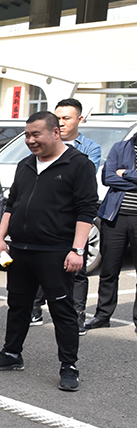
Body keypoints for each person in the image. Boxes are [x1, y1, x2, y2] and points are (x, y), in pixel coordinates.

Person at [0, 112, 98, 391]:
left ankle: (69, 366)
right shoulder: (25, 165)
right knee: (18, 305)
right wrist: (1, 237)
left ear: (56, 133)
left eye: (37, 134)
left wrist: (77, 250)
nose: (31, 140)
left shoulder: (78, 165)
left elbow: (87, 210)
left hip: (55, 250)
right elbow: (11, 204)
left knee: (62, 309)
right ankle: (11, 354)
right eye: (28, 135)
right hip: (20, 249)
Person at [31, 98, 103, 329]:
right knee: (41, 264)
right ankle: (35, 310)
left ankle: (77, 315)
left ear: (79, 119)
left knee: (77, 268)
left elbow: (82, 181)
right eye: (58, 118)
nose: (61, 123)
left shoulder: (89, 148)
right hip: (47, 220)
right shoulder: (45, 144)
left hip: (74, 220)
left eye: (66, 118)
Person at [85, 128, 137, 332]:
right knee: (109, 270)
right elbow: (107, 177)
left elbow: (117, 176)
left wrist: (125, 173)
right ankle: (102, 315)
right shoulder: (120, 147)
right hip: (114, 217)